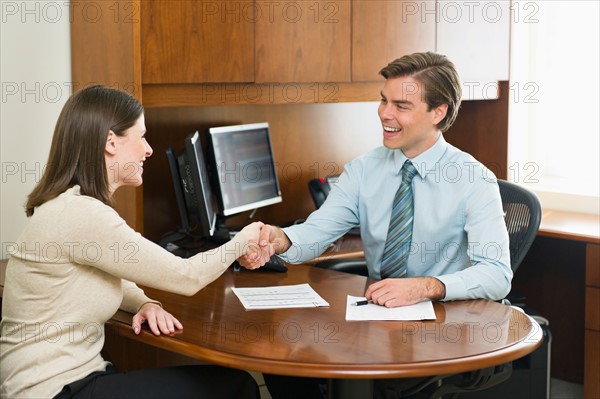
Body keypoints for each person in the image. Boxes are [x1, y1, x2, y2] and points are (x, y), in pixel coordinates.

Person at [240, 52, 512, 398]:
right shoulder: (364, 169)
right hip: (381, 319)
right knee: (285, 355)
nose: (385, 113)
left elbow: (497, 274)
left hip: (445, 326)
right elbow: (317, 231)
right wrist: (279, 239)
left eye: (401, 105)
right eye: (384, 100)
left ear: (438, 112)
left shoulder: (474, 180)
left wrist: (425, 286)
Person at [0, 85, 263, 399]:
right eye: (141, 136)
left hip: (68, 382)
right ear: (111, 142)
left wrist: (145, 303)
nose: (148, 149)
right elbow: (187, 276)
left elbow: (108, 275)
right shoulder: (81, 214)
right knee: (239, 386)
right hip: (53, 391)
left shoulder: (69, 206)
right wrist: (245, 238)